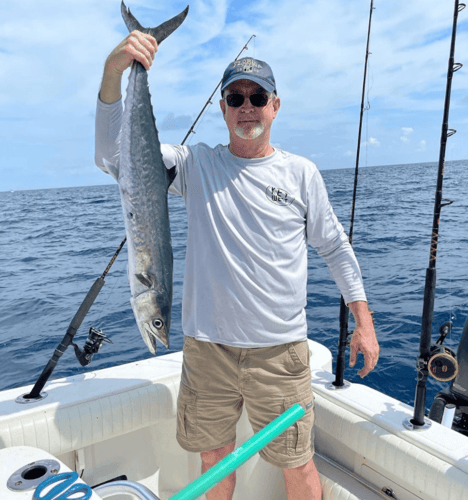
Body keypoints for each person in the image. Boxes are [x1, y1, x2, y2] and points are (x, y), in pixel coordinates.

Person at [95, 31, 379, 500]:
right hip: (208, 352)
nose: (247, 106)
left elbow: (336, 249)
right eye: (235, 97)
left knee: (298, 464)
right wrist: (114, 73)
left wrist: (364, 323)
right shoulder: (193, 166)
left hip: (280, 353)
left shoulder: (301, 173)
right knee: (212, 461)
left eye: (257, 96)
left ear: (275, 105)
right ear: (222, 108)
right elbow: (114, 157)